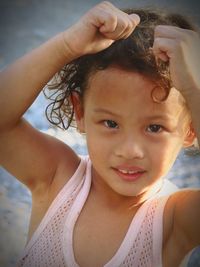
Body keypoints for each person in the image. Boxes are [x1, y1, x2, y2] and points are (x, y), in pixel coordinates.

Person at [0, 1, 200, 266]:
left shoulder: (175, 219)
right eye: (110, 123)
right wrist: (66, 46)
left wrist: (193, 88)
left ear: (190, 130)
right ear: (80, 113)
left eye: (154, 127)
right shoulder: (57, 178)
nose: (129, 150)